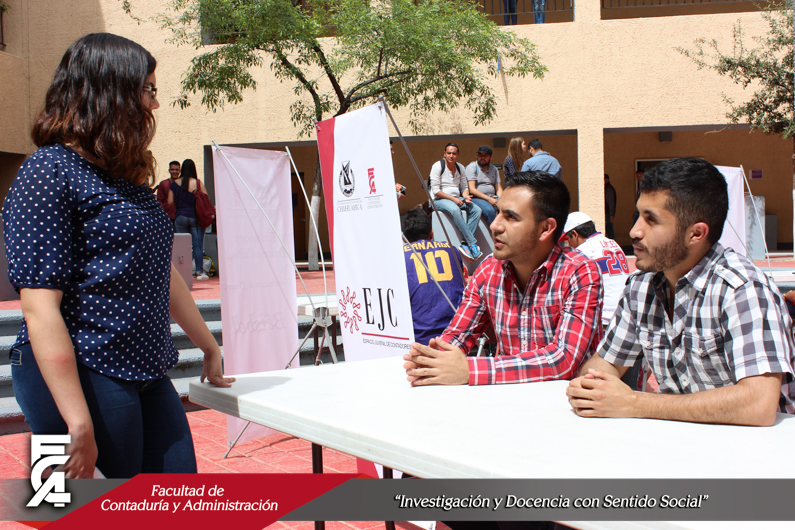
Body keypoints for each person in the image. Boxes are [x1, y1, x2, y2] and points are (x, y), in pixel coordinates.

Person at [2, 33, 234, 479]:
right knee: (76, 507)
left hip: (144, 365)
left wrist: (209, 346)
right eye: (148, 90)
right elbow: (39, 307)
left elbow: (159, 271)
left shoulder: (124, 176)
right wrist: (76, 421)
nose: (155, 103)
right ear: (111, 92)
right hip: (80, 370)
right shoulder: (47, 170)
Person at [567, 158, 795, 425]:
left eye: (651, 220)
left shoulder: (743, 290)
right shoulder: (640, 286)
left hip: (753, 448)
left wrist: (635, 403)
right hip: (674, 442)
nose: (634, 231)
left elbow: (759, 404)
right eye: (638, 215)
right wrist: (592, 385)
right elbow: (606, 362)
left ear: (696, 233)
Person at [403, 171, 603, 386]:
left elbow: (564, 360)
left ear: (546, 228)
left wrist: (470, 369)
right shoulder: (488, 271)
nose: (495, 225)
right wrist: (433, 360)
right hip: (506, 400)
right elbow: (458, 335)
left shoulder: (580, 273)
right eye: (498, 213)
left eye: (511, 217)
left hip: (567, 401)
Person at [401, 210, 466, 345]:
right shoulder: (452, 249)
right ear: (431, 233)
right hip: (456, 335)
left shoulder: (400, 256)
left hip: (419, 338)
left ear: (403, 238)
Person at [562, 211, 629, 327]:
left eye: (568, 239)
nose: (569, 244)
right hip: (626, 312)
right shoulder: (613, 243)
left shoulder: (583, 251)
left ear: (575, 234)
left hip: (606, 319)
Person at [429, 142, 483, 261]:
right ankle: (472, 244)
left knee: (477, 210)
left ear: (458, 154)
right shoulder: (437, 166)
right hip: (439, 200)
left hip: (457, 198)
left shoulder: (460, 167)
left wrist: (466, 197)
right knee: (455, 209)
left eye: (454, 153)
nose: (451, 156)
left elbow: (464, 187)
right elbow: (436, 191)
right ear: (444, 153)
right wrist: (454, 199)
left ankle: (465, 243)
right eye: (449, 153)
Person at [168, 159, 209, 280]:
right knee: (197, 245)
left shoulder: (174, 184)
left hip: (180, 217)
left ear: (182, 169)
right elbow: (206, 199)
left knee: (183, 246)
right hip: (195, 217)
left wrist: (180, 204)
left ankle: (183, 272)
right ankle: (199, 272)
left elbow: (170, 201)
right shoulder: (197, 183)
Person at [466, 145, 503, 225]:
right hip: (477, 198)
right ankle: (495, 231)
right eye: (480, 155)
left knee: (507, 207)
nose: (482, 157)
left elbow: (499, 189)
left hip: (492, 197)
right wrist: (489, 199)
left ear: (491, 157)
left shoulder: (494, 169)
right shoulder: (472, 167)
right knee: (489, 210)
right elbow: (472, 189)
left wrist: (502, 199)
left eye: (485, 155)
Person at [155, 160, 180, 225]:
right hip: (167, 216)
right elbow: (159, 200)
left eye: (176, 170)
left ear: (180, 171)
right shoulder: (163, 184)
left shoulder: (183, 184)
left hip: (180, 216)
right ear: (169, 171)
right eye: (172, 169)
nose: (174, 171)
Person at [604, 174, 617, 240]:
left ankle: (612, 244)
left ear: (607, 180)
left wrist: (611, 215)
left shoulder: (609, 189)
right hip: (607, 213)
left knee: (609, 231)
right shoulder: (606, 188)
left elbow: (611, 202)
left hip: (608, 214)